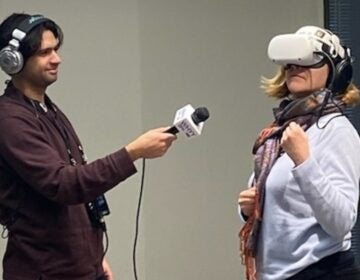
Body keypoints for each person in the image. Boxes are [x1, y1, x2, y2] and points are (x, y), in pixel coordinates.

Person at [0, 13, 177, 280]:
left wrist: (95, 257)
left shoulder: (48, 111)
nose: (56, 59)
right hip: (45, 272)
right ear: (13, 60)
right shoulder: (10, 119)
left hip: (80, 268)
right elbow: (64, 184)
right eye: (45, 52)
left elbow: (77, 189)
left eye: (56, 50)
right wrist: (133, 152)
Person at [238, 25, 360, 280]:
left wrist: (303, 161)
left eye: (308, 61)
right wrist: (249, 209)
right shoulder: (278, 132)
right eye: (291, 63)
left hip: (321, 272)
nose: (296, 67)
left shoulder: (336, 130)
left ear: (337, 74)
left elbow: (342, 222)